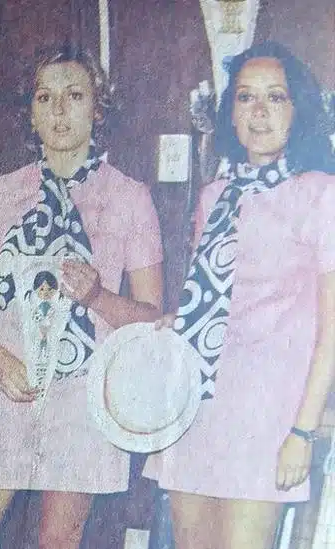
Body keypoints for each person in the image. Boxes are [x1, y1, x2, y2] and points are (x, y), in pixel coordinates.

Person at [0, 45, 164, 549]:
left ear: (98, 109)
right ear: (31, 113)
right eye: (45, 97)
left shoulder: (130, 197)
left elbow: (152, 317)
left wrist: (97, 295)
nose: (59, 110)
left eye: (74, 96)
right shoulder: (1, 194)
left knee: (57, 541)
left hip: (82, 395)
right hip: (6, 382)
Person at [145, 41, 335, 549]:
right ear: (230, 113)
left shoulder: (321, 194)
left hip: (266, 416)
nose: (259, 111)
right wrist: (180, 321)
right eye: (246, 97)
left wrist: (302, 432)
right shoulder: (215, 196)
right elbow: (223, 300)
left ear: (298, 110)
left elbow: (332, 333)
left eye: (275, 97)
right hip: (195, 406)